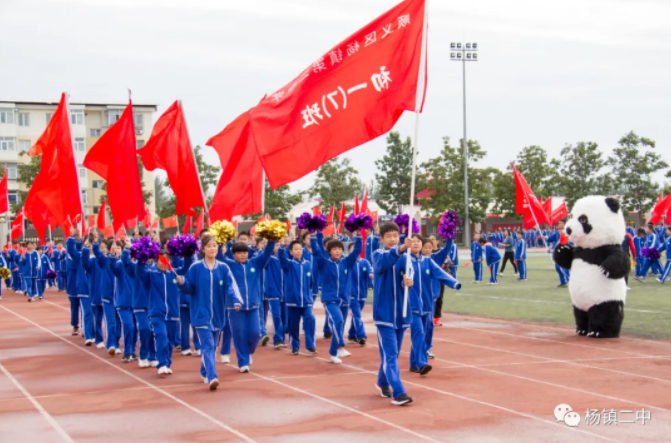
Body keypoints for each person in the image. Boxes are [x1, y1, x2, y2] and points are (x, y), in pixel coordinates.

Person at [177, 234, 239, 390]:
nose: (213, 248)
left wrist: (236, 300)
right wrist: (182, 283)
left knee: (213, 346)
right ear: (203, 249)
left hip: (218, 314)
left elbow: (230, 287)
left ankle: (205, 370)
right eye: (209, 246)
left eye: (215, 245)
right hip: (200, 314)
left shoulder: (223, 268)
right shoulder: (196, 267)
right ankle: (213, 377)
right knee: (208, 345)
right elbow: (189, 288)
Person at [372, 222, 413, 406]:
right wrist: (402, 248)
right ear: (381, 239)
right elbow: (386, 262)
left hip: (401, 314)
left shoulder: (406, 257)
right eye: (388, 236)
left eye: (395, 236)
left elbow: (409, 271)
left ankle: (382, 381)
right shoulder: (378, 255)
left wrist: (408, 279)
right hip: (384, 315)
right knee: (390, 354)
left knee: (393, 354)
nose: (392, 239)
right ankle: (398, 392)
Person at [220, 239, 274, 373]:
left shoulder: (255, 263)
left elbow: (267, 253)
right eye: (239, 253)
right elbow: (219, 257)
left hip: (254, 306)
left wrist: (272, 239)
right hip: (235, 308)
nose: (243, 255)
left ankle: (248, 351)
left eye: (245, 252)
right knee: (239, 335)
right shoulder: (229, 266)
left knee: (256, 333)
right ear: (233, 255)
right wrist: (221, 241)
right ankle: (243, 361)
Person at [137, 250, 192, 375]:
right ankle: (161, 364)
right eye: (161, 259)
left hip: (173, 314)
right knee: (161, 336)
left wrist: (188, 252)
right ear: (156, 261)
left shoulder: (173, 274)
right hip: (157, 313)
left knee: (170, 342)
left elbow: (187, 268)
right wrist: (141, 258)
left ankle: (167, 363)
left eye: (167, 259)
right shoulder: (150, 275)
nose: (164, 262)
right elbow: (139, 272)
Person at [311, 231, 362, 364]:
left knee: (340, 325)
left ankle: (335, 351)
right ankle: (340, 345)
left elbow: (357, 250)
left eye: (339, 248)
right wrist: (315, 235)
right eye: (334, 249)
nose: (338, 251)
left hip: (344, 299)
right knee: (338, 321)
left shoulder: (347, 262)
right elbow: (317, 251)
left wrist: (358, 235)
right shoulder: (325, 263)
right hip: (330, 299)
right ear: (329, 251)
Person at [279, 240, 317, 354]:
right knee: (293, 325)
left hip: (306, 301)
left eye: (300, 249)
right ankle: (295, 346)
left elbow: (311, 281)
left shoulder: (307, 264)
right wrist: (281, 246)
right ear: (291, 252)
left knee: (310, 320)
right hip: (293, 301)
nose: (298, 251)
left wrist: (310, 294)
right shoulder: (289, 264)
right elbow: (281, 258)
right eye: (295, 249)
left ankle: (310, 345)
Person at [92, 238, 121, 356]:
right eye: (114, 248)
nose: (117, 250)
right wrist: (95, 243)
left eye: (119, 248)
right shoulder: (104, 260)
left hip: (120, 297)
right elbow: (97, 253)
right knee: (111, 321)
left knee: (119, 323)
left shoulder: (124, 262)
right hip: (107, 297)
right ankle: (111, 344)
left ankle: (117, 343)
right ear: (109, 250)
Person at [109, 240, 137, 362]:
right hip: (123, 302)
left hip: (136, 303)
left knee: (135, 328)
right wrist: (112, 256)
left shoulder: (137, 266)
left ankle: (132, 351)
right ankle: (127, 351)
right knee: (128, 325)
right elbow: (113, 268)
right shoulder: (120, 265)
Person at [66, 232, 94, 345]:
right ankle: (87, 335)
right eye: (87, 243)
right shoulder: (79, 256)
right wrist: (72, 237)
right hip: (83, 288)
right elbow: (70, 250)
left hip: (95, 289)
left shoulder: (99, 257)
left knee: (95, 314)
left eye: (90, 244)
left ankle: (94, 334)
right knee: (86, 311)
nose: (89, 246)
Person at [347, 242, 372, 345]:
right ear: (349, 251)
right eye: (353, 249)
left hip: (362, 294)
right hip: (351, 295)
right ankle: (361, 335)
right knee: (357, 315)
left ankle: (352, 334)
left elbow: (370, 271)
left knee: (356, 315)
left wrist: (371, 275)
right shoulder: (347, 262)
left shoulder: (365, 262)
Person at [263, 240, 287, 349]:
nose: (278, 247)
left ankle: (282, 337)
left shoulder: (286, 260)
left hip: (286, 294)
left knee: (285, 317)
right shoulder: (270, 259)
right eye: (276, 245)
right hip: (274, 293)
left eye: (279, 245)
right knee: (276, 316)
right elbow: (264, 260)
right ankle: (278, 339)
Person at [546, 220, 570, 288]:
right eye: (558, 223)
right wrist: (546, 238)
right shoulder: (557, 233)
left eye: (560, 223)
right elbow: (551, 239)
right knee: (557, 268)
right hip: (557, 252)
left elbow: (562, 242)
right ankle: (563, 281)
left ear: (564, 224)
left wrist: (552, 249)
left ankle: (568, 281)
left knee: (562, 267)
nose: (559, 224)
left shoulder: (566, 232)